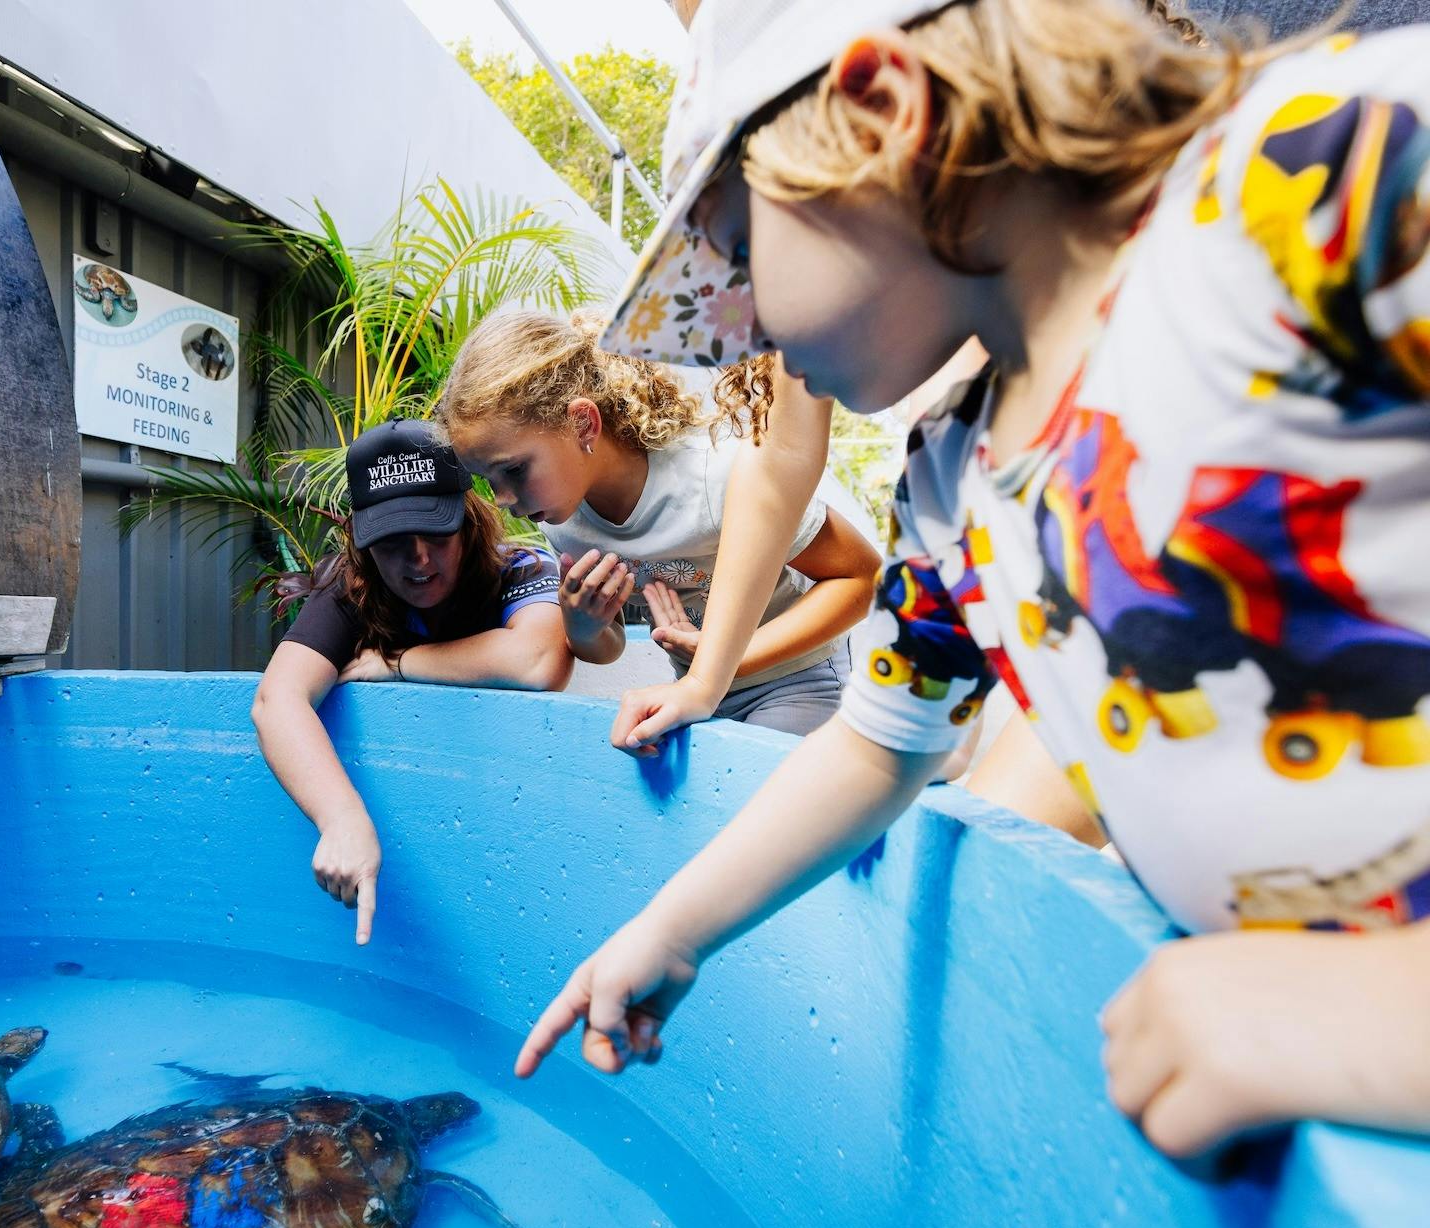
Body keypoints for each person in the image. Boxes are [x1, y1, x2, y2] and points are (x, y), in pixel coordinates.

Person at [517, 0, 1430, 1160]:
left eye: (742, 255)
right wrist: (675, 928)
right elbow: (877, 741)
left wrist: (1373, 1010)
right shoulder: (952, 474)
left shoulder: (1313, 182)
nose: (733, 330)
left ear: (880, 111)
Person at [440, 308, 881, 740]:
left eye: (514, 471)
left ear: (583, 423)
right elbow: (607, 647)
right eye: (488, 480)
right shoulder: (562, 521)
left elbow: (861, 578)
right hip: (697, 691)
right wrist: (584, 627)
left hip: (795, 681)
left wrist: (726, 661)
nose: (503, 501)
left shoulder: (713, 480)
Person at [252, 419, 570, 946]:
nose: (419, 558)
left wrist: (400, 662)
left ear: (468, 520)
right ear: (362, 539)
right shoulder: (351, 587)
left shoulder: (518, 566)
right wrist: (341, 819)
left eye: (436, 532)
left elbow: (539, 662)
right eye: (394, 540)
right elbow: (276, 699)